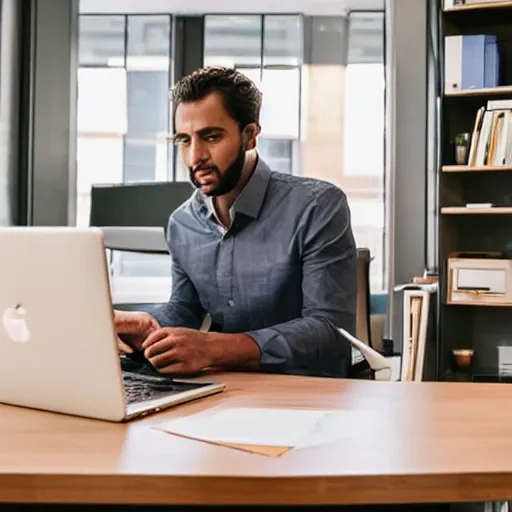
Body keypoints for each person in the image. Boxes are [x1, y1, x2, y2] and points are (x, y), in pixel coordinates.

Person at [115, 66, 357, 378]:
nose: (195, 157)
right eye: (184, 141)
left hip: (308, 396)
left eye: (211, 137)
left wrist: (211, 348)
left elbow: (330, 330)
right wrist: (140, 324)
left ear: (250, 135)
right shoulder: (182, 223)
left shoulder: (317, 206)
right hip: (223, 392)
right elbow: (185, 311)